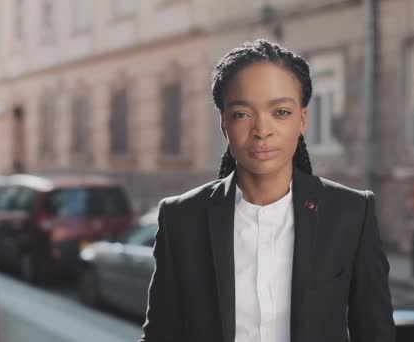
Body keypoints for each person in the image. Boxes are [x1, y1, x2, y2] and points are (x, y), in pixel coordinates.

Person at [138, 39, 395, 342]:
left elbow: (375, 332)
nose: (262, 130)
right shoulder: (181, 217)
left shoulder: (351, 212)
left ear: (302, 119)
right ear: (224, 123)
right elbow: (160, 335)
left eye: (281, 112)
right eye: (242, 114)